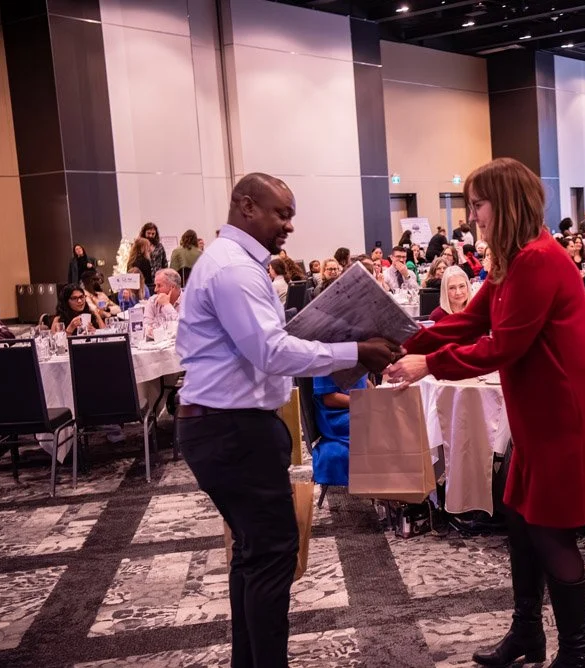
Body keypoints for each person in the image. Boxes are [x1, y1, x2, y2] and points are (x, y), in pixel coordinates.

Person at [384, 158, 585, 668]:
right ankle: (527, 632)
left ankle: (577, 654)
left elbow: (502, 346)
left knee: (549, 526)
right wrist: (401, 342)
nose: (472, 216)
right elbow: (468, 321)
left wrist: (426, 364)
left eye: (478, 204)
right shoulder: (517, 258)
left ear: (504, 205)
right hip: (545, 407)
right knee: (521, 517)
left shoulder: (540, 259)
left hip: (572, 409)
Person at [175, 173, 399, 668]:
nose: (290, 226)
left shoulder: (234, 262)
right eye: (282, 213)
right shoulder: (233, 269)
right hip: (231, 429)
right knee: (273, 554)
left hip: (226, 426)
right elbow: (269, 350)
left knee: (254, 555)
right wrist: (355, 348)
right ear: (247, 207)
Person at [311, 373, 367, 487]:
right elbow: (330, 399)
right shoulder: (326, 358)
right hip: (337, 416)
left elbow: (361, 380)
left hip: (356, 408)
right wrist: (366, 402)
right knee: (383, 425)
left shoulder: (359, 357)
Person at [144, 269, 182, 338]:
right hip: (156, 346)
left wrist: (166, 305)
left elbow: (182, 329)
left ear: (172, 287)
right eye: (155, 285)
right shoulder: (152, 301)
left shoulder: (189, 301)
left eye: (159, 286)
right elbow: (146, 327)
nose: (155, 290)